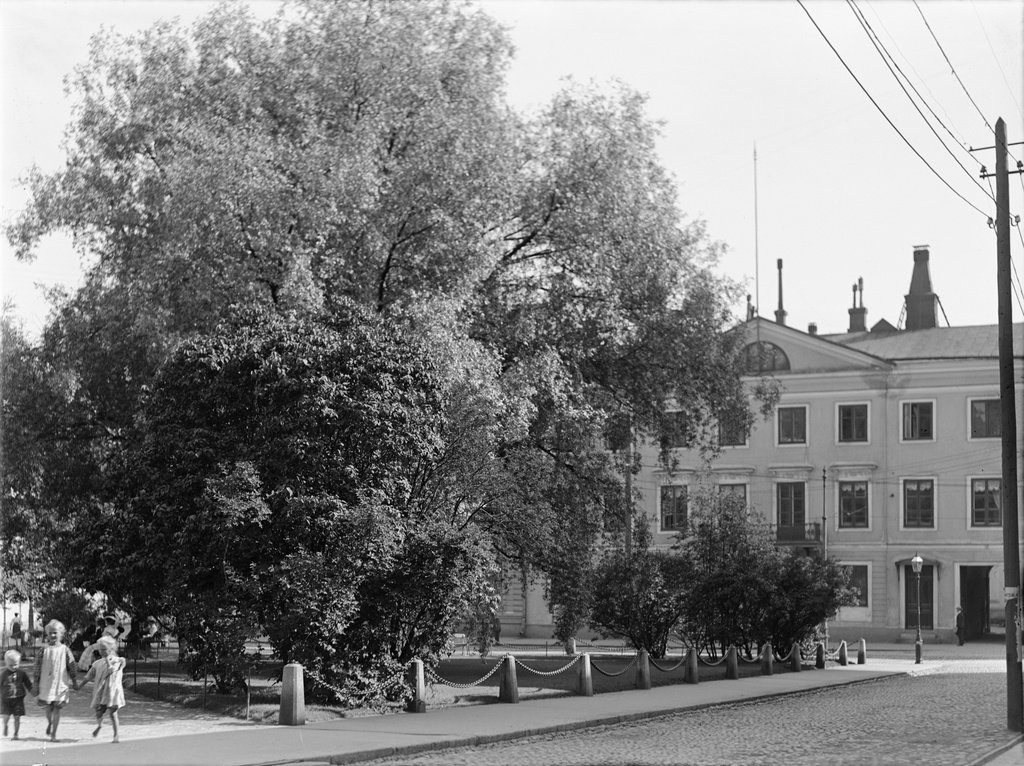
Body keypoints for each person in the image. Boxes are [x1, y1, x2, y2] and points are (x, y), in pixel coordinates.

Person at [33, 619, 78, 742]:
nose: (52, 635)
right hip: (46, 684)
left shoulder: (65, 650)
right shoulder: (43, 650)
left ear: (61, 634)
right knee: (48, 709)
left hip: (60, 684)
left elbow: (72, 665)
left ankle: (54, 735)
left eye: (55, 633)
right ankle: (49, 722)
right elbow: (37, 667)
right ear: (47, 634)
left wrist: (74, 680)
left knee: (57, 708)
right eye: (50, 633)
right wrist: (35, 683)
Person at [77, 635, 125, 743]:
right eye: (100, 649)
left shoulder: (119, 661)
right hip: (101, 692)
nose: (101, 652)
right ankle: (99, 725)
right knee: (98, 712)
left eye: (104, 649)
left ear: (111, 649)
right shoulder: (97, 663)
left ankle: (116, 735)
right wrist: (79, 686)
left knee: (113, 713)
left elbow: (111, 670)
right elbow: (89, 676)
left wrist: (108, 660)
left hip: (112, 692)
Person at [1, 649, 34, 739]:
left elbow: (28, 683)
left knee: (17, 718)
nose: (13, 667)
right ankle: (5, 725)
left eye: (15, 664)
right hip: (6, 700)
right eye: (10, 665)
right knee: (6, 716)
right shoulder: (3, 674)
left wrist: (32, 691)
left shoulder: (22, 673)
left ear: (19, 663)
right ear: (6, 664)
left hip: (18, 699)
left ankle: (16, 734)